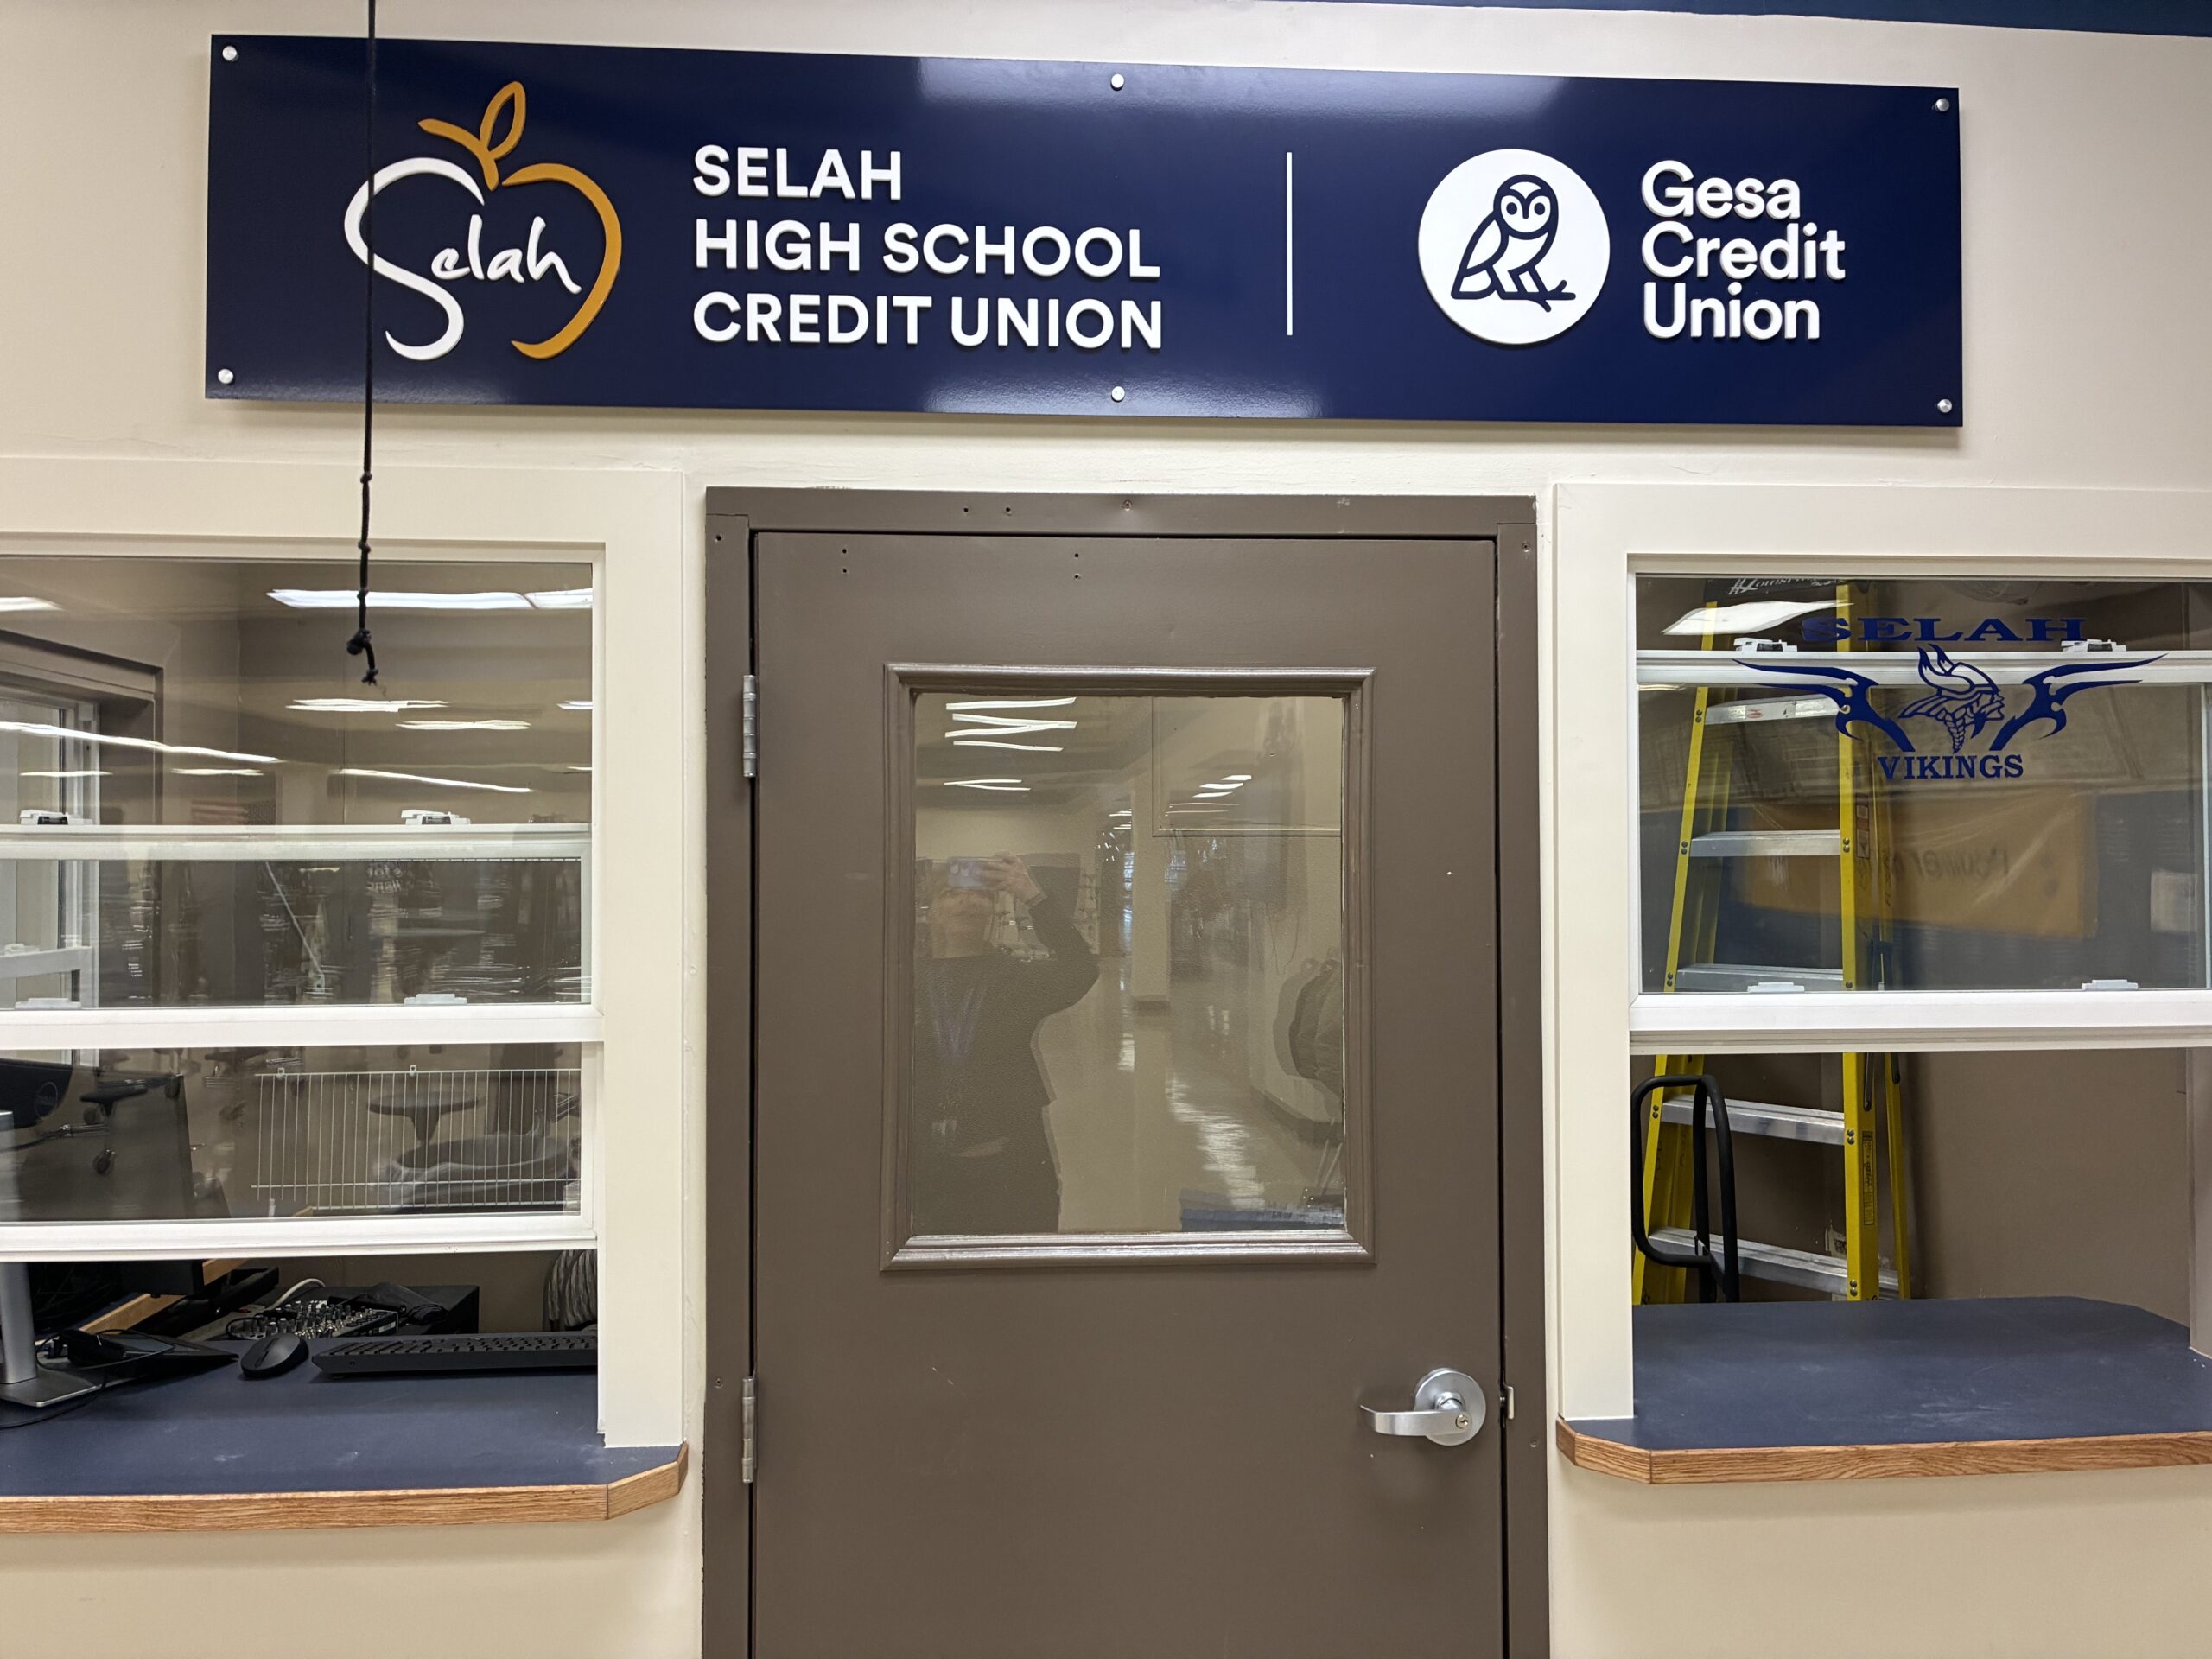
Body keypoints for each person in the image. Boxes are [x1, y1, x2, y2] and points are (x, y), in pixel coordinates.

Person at [912, 853, 1097, 1235]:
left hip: (1013, 1168)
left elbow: (1080, 968)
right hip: (926, 1169)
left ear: (992, 910)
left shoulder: (1016, 979)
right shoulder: (906, 982)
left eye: (979, 894)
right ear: (933, 912)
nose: (967, 901)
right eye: (951, 893)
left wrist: (1031, 895)